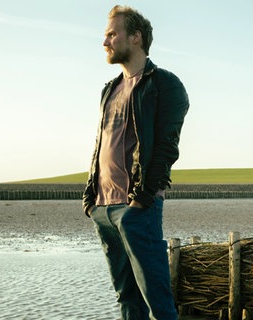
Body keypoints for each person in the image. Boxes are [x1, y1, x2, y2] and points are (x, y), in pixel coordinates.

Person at [82, 5, 189, 319]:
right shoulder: (109, 90)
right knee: (127, 298)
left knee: (157, 300)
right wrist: (90, 199)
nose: (106, 41)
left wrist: (141, 200)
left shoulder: (164, 85)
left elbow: (166, 148)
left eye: (112, 34)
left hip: (136, 208)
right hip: (103, 208)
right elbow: (100, 144)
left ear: (136, 37)